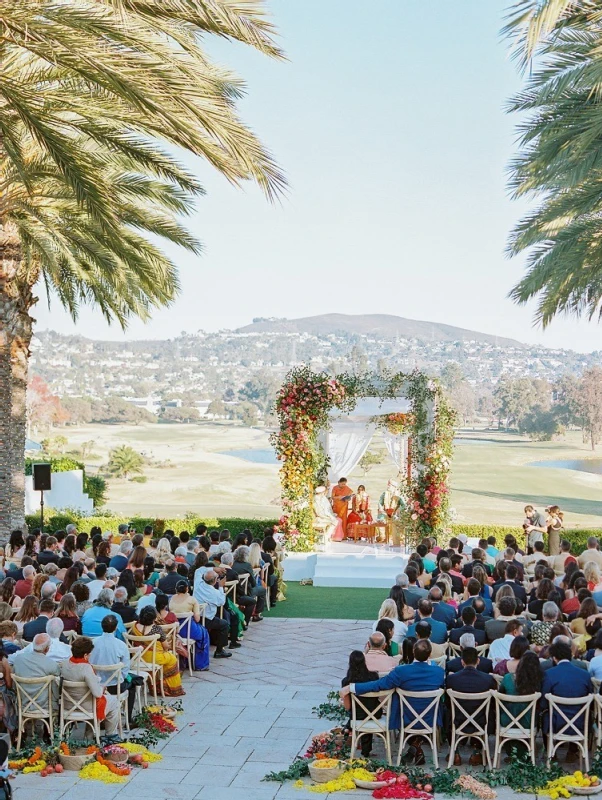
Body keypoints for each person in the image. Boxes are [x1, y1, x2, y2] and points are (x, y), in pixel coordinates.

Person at [340, 639, 445, 766]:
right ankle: (416, 745)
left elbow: (379, 684)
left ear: (413, 652)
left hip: (405, 718)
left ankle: (415, 745)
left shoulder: (402, 671)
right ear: (430, 654)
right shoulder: (438, 672)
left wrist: (352, 687)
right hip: (430, 718)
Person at [60, 635, 121, 743]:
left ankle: (89, 736)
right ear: (85, 655)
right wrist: (102, 688)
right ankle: (111, 735)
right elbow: (97, 694)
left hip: (68, 705)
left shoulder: (64, 664)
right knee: (114, 701)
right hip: (87, 707)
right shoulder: (86, 668)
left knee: (93, 698)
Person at [542, 637, 593, 762]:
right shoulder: (585, 674)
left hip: (556, 724)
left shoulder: (549, 674)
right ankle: (572, 751)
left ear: (554, 658)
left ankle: (551, 754)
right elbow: (590, 703)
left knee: (543, 715)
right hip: (581, 724)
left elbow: (543, 703)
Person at [446, 645, 496, 766]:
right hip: (481, 722)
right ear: (478, 661)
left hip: (457, 720)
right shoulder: (488, 679)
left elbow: (448, 703)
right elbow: (493, 705)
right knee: (489, 712)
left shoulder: (451, 679)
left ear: (462, 662)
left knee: (447, 711)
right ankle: (476, 751)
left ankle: (455, 751)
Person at [89, 614, 136, 723]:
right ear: (115, 628)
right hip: (115, 685)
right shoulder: (121, 645)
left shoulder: (93, 643)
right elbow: (125, 670)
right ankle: (128, 720)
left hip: (97, 685)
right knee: (133, 684)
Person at [131, 606, 185, 696]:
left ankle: (156, 687)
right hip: (154, 658)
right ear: (154, 618)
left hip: (138, 657)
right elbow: (166, 647)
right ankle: (169, 689)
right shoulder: (157, 629)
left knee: (166, 658)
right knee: (172, 659)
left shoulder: (134, 626)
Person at [498, 650, 543, 760]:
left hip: (507, 721)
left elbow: (500, 698)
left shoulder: (508, 678)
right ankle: (526, 753)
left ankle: (513, 752)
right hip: (528, 723)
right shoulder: (539, 683)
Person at [341, 651, 380, 757]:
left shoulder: (347, 682)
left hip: (358, 716)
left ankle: (348, 727)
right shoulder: (374, 676)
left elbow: (348, 707)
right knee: (367, 710)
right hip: (375, 714)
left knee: (356, 712)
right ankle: (366, 750)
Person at [169, 580, 210, 671]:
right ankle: (200, 664)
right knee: (204, 633)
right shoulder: (192, 600)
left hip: (175, 630)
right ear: (187, 588)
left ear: (176, 589)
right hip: (188, 629)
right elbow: (197, 619)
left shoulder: (171, 599)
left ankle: (187, 660)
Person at [193, 569, 234, 658]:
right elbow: (222, 602)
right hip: (206, 619)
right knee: (224, 624)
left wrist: (214, 569)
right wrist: (220, 586)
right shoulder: (214, 593)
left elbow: (199, 571)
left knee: (219, 618)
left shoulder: (198, 584)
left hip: (194, 617)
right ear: (215, 580)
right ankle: (219, 650)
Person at [12, 633, 59, 710]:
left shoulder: (18, 659)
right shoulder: (52, 664)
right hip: (45, 706)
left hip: (22, 705)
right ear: (47, 649)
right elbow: (57, 690)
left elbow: (14, 686)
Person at [231, 546, 266, 622]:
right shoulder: (247, 565)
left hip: (232, 591)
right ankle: (256, 613)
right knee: (262, 590)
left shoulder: (232, 564)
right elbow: (253, 583)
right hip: (246, 591)